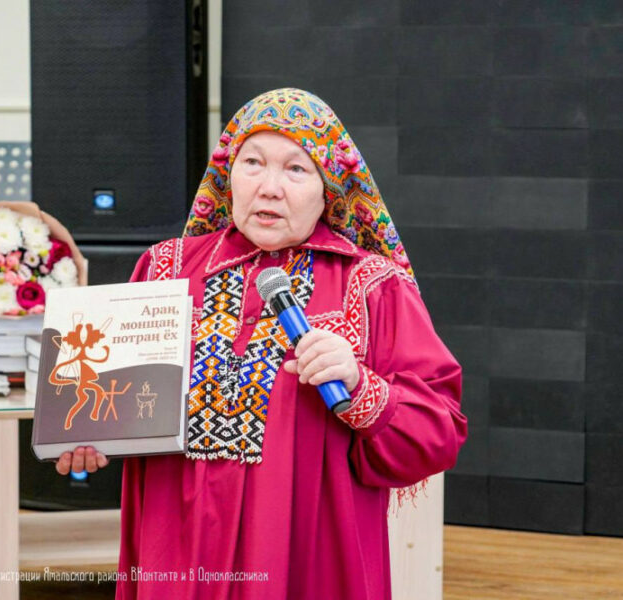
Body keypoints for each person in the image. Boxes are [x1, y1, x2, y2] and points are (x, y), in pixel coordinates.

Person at [55, 88, 468, 600]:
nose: (269, 188)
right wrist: (85, 434)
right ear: (227, 176)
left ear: (328, 188)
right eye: (252, 163)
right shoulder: (165, 269)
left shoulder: (372, 285)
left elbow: (439, 429)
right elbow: (113, 403)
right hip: (178, 551)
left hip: (306, 561)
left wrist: (361, 385)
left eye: (296, 169)